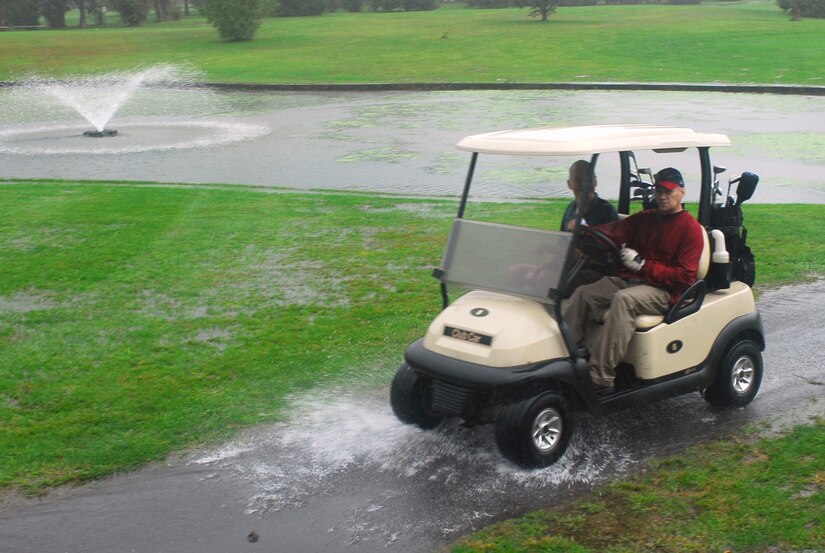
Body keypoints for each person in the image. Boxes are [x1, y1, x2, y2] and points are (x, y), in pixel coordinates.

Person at [562, 167, 705, 393]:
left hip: (664, 290)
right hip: (633, 279)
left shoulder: (690, 229)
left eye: (668, 191)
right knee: (584, 293)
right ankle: (560, 356)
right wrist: (585, 231)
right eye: (659, 191)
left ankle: (601, 377)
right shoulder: (647, 219)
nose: (662, 196)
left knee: (624, 300)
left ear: (682, 192)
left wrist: (644, 265)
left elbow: (684, 276)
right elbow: (615, 230)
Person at [560, 160, 618, 232]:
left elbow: (612, 238)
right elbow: (561, 236)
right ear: (569, 184)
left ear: (595, 181)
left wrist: (585, 230)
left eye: (588, 179)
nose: (583, 184)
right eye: (577, 180)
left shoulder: (607, 210)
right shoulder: (570, 208)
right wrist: (568, 230)